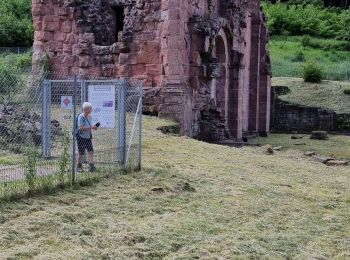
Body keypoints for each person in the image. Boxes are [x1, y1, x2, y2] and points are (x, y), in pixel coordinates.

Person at [76, 102, 98, 172]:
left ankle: (91, 166)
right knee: (81, 153)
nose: (91, 109)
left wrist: (93, 127)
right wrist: (91, 127)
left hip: (88, 137)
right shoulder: (81, 117)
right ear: (86, 109)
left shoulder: (90, 116)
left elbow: (89, 126)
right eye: (90, 108)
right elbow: (81, 128)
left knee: (91, 151)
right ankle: (79, 166)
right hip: (81, 137)